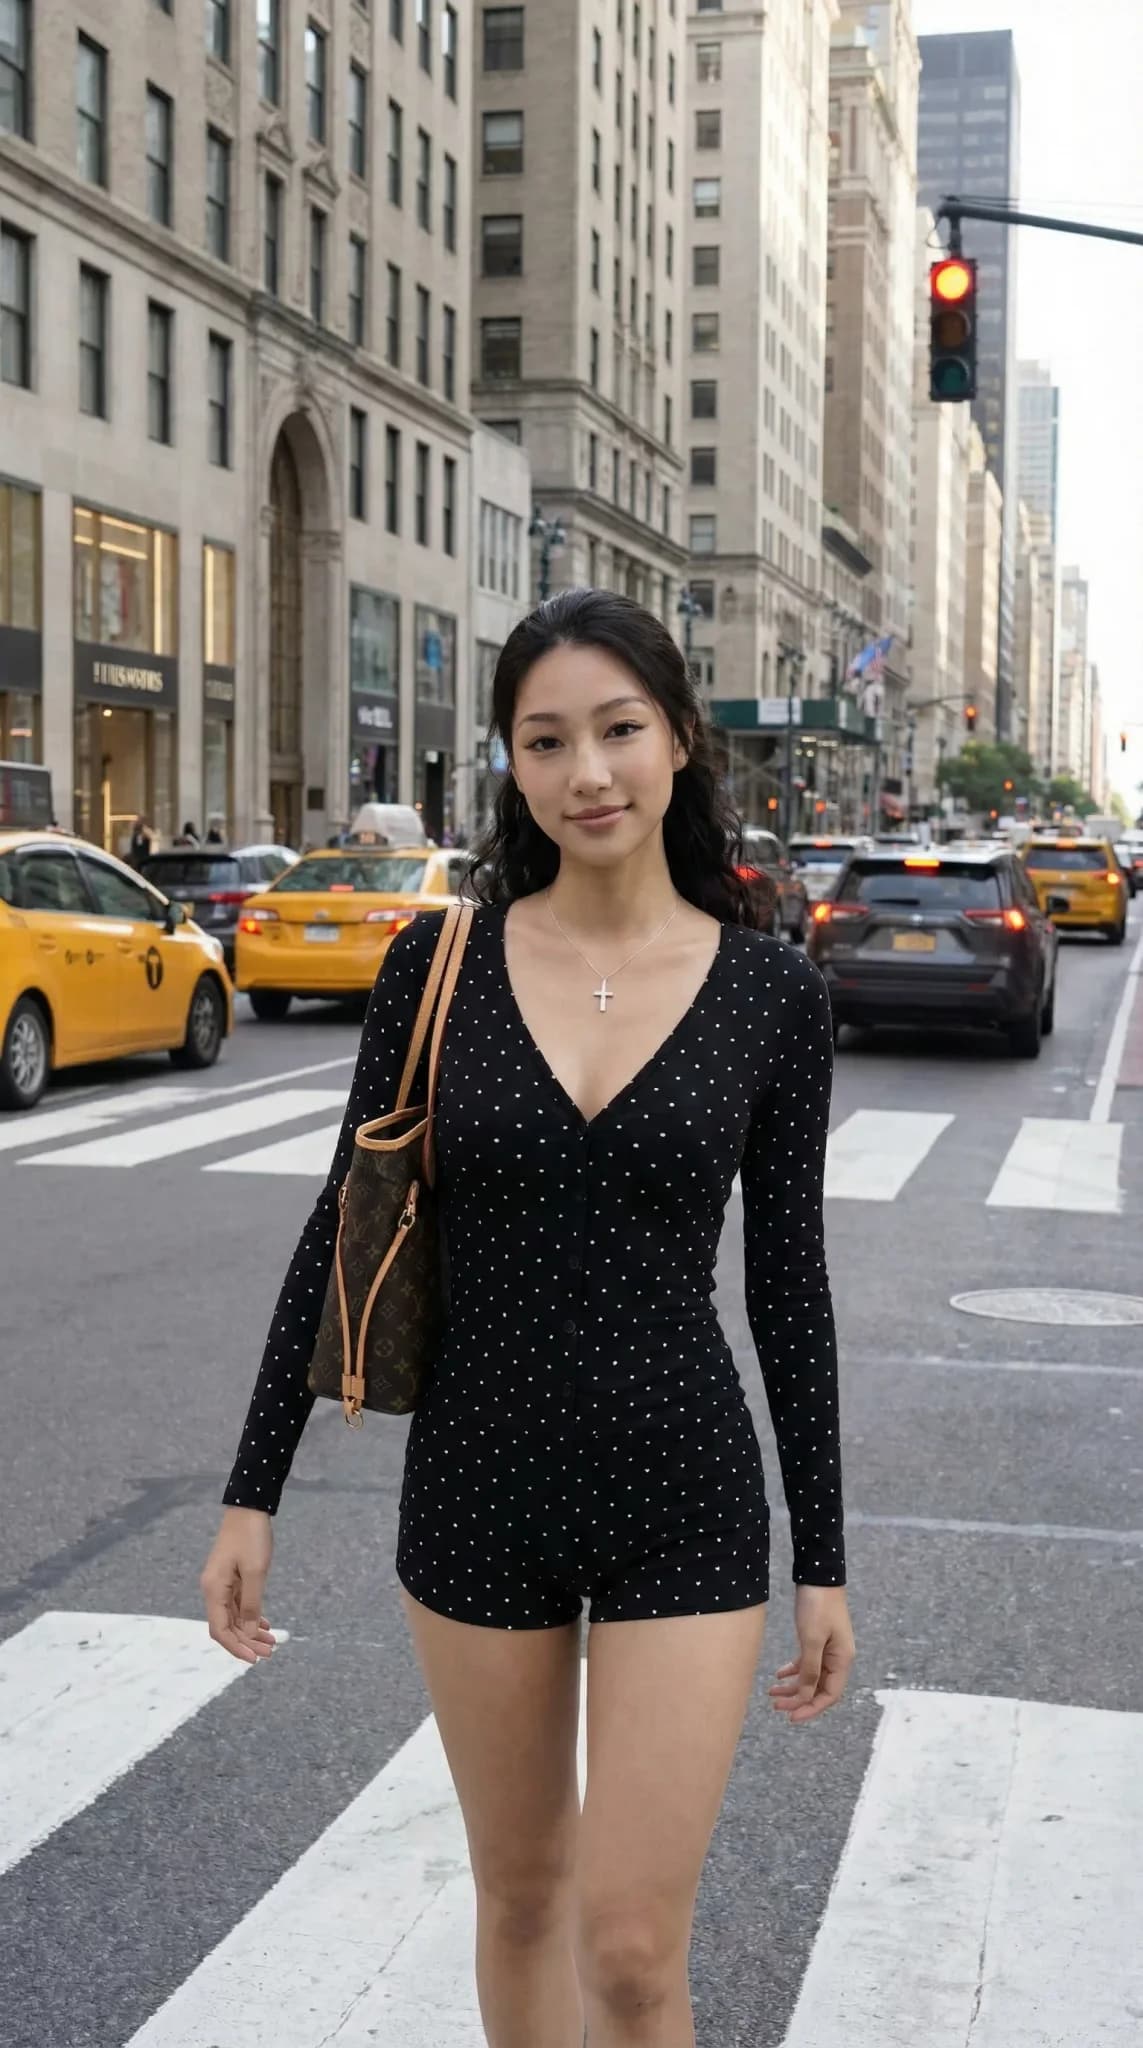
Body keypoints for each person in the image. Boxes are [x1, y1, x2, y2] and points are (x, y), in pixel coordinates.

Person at [201, 589, 854, 2046]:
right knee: (520, 1898)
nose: (589, 774)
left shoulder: (769, 995)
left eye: (619, 731)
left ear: (679, 738)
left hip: (683, 1491)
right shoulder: (435, 968)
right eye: (547, 741)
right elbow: (341, 1226)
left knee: (629, 1952)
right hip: (476, 1488)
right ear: (512, 762)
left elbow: (788, 1284)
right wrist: (255, 1490)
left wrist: (824, 1553)